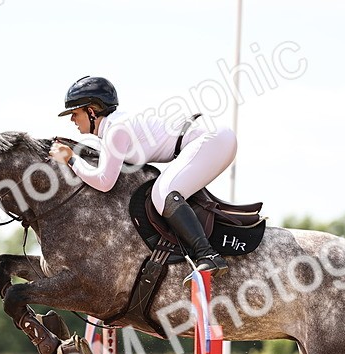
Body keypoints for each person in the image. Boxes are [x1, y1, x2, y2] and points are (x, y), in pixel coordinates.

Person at [48, 75, 237, 283]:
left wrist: (71, 159)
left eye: (75, 113)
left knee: (162, 193)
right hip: (212, 139)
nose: (72, 119)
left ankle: (207, 255)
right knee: (163, 191)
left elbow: (104, 182)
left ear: (91, 112)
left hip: (212, 140)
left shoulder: (115, 130)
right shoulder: (114, 127)